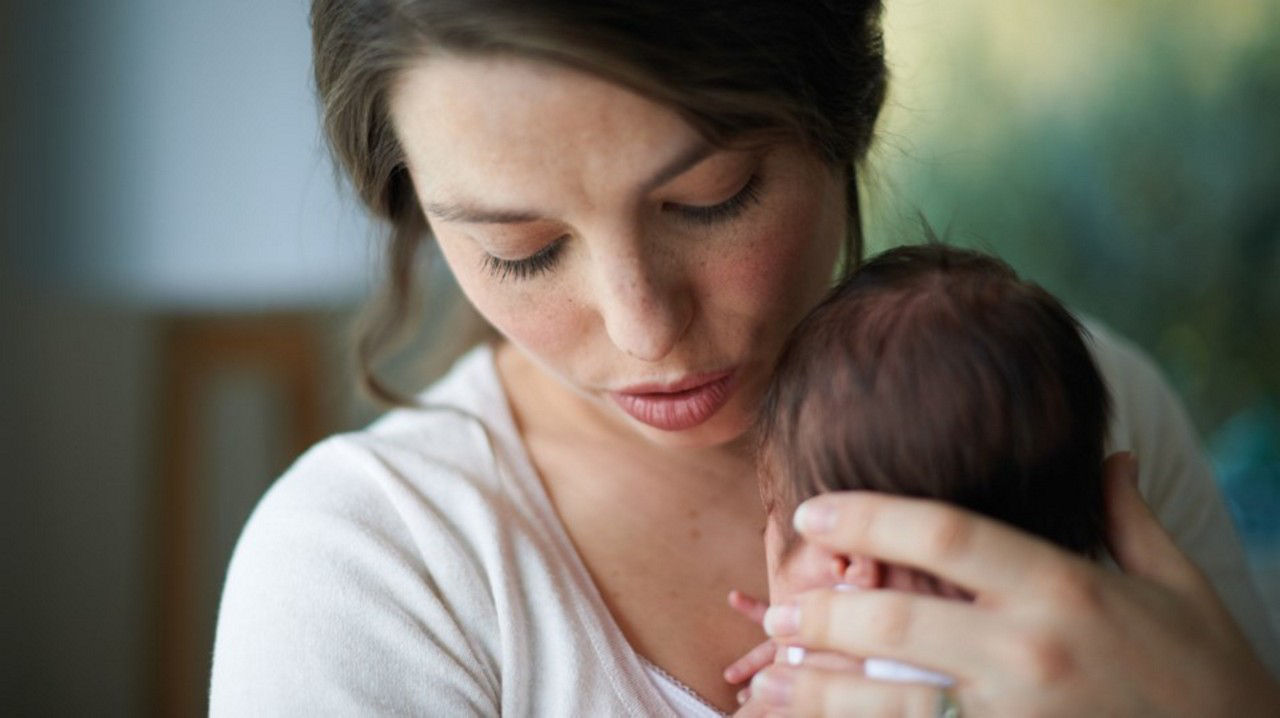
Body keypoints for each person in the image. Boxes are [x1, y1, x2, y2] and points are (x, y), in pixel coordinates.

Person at [210, 2, 1280, 715]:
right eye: (519, 252)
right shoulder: (373, 573)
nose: (644, 330)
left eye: (711, 199)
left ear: (842, 111)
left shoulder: (1086, 408)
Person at [722, 243, 1114, 703]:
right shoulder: (1092, 656)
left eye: (769, 513)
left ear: (847, 562)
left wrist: (793, 669)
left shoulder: (841, 703)